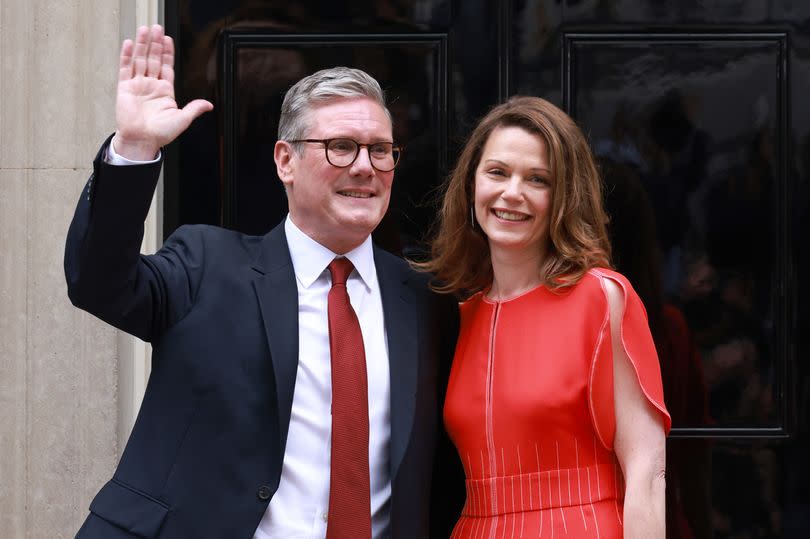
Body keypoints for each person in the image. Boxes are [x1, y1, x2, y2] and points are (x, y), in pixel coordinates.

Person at [64, 24, 462, 538]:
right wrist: (135, 147)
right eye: (341, 146)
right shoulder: (207, 265)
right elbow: (98, 281)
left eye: (380, 150)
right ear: (285, 160)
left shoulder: (426, 300)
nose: (365, 166)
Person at [419, 96, 672, 538]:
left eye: (538, 179)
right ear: (470, 184)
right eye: (497, 172)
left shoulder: (602, 297)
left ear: (563, 197)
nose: (512, 192)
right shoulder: (460, 317)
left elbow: (647, 474)